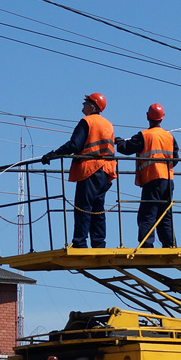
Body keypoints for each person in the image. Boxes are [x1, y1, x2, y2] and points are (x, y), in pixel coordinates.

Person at [41, 92, 117, 248]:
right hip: (106, 170)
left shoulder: (86, 122)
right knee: (98, 208)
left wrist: (54, 154)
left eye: (86, 102)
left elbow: (74, 145)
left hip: (89, 169)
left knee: (83, 207)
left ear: (93, 106)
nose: (83, 104)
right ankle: (99, 243)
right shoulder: (108, 124)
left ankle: (80, 242)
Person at [115, 103, 178, 247]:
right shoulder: (169, 136)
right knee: (165, 214)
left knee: (147, 214)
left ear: (147, 116)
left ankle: (146, 244)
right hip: (168, 181)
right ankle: (170, 244)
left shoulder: (144, 136)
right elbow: (175, 158)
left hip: (152, 179)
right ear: (162, 119)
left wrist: (118, 141)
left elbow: (126, 148)